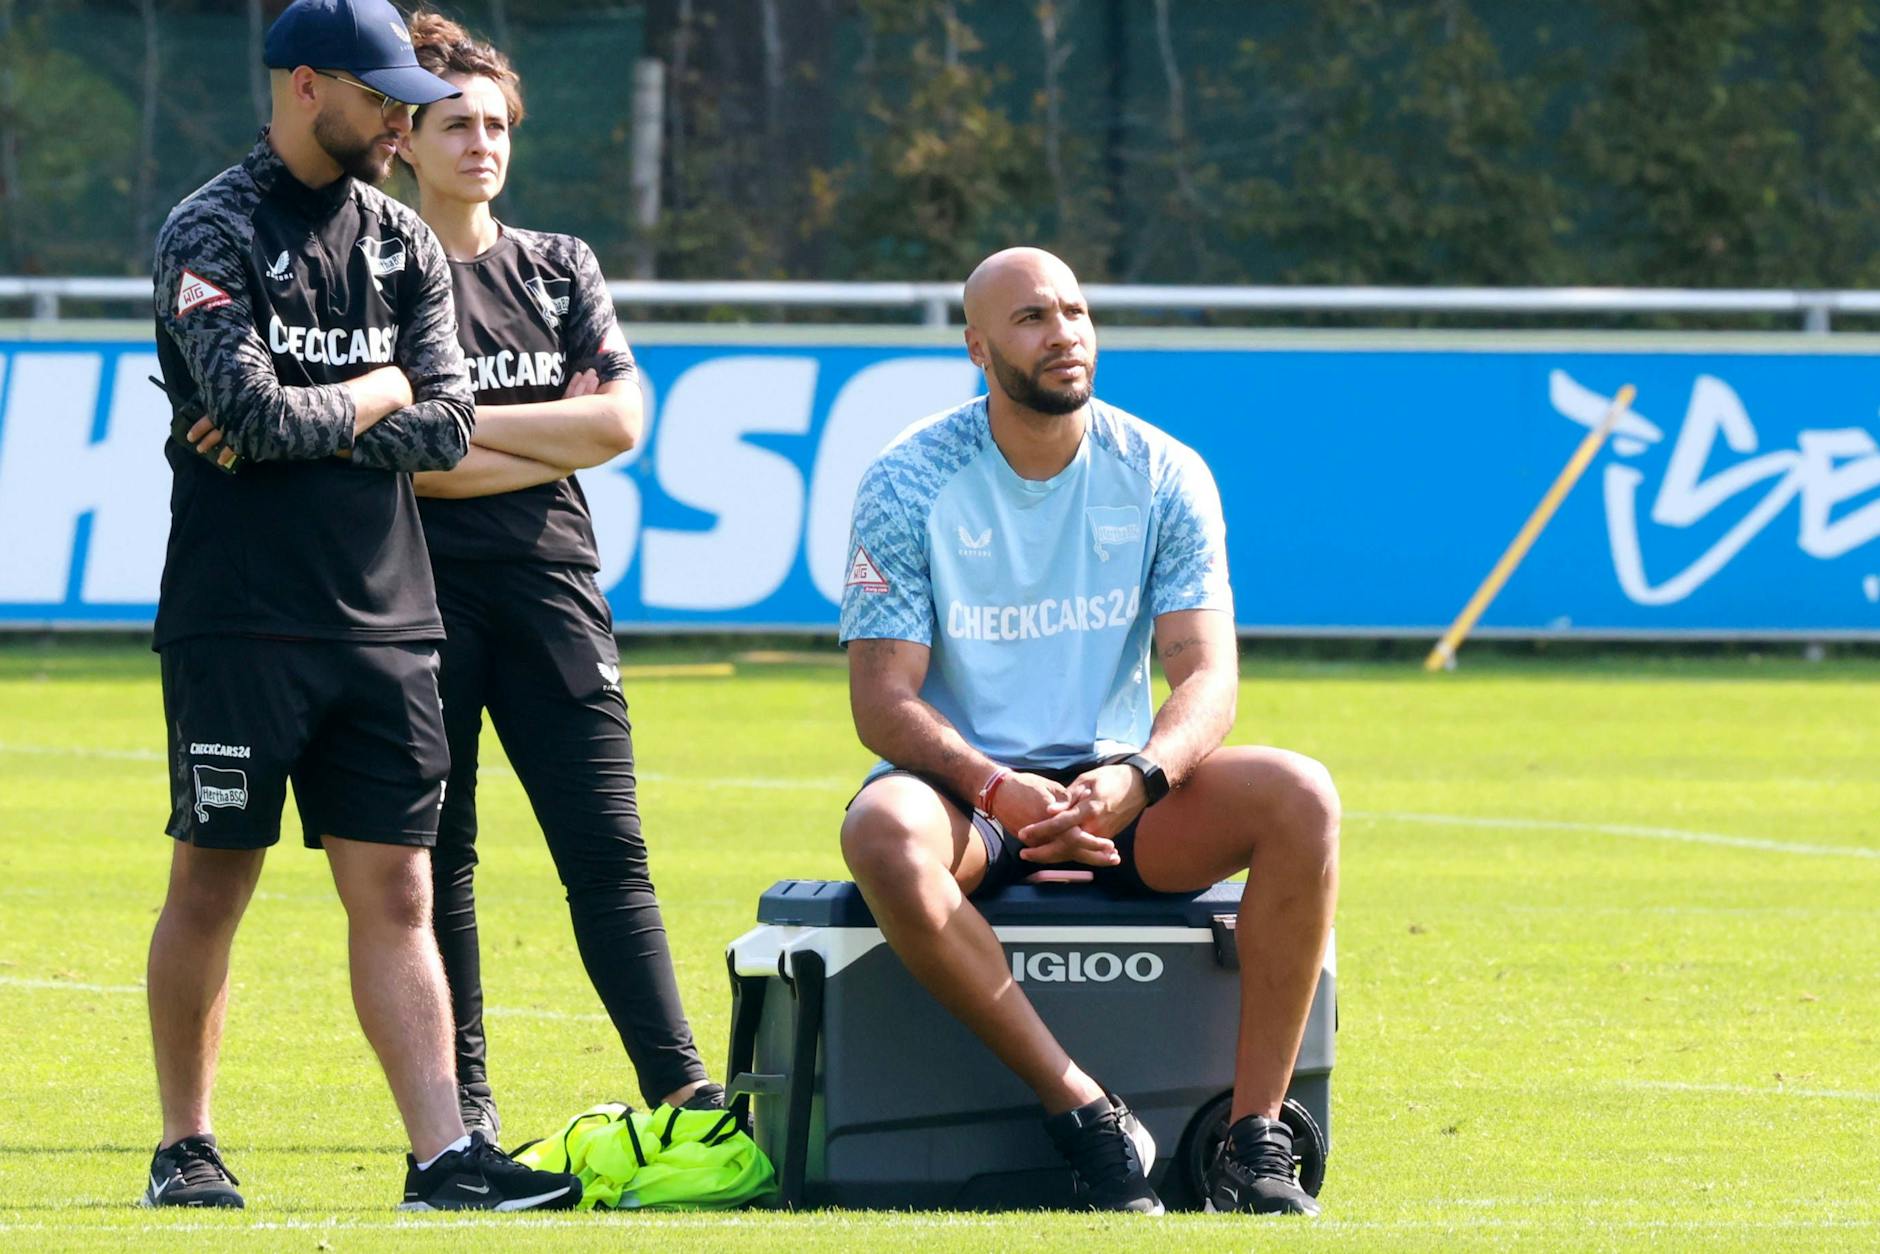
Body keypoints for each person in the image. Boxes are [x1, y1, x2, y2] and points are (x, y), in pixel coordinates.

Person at [143, 0, 580, 1213]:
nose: (403, 118)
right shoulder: (211, 227)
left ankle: (443, 1159)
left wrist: (332, 408)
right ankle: (186, 1145)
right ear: (301, 86)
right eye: (381, 96)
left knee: (396, 890)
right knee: (213, 878)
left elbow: (444, 422)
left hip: (390, 618)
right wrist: (376, 390)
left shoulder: (401, 240)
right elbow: (256, 417)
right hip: (240, 618)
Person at [837, 247, 1340, 1217]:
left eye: (1073, 312)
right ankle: (1084, 1113)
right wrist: (993, 787)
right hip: (970, 794)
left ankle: (1251, 1140)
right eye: (1030, 319)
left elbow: (1206, 672)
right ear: (978, 350)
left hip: (1117, 792)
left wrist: (1140, 778)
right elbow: (882, 702)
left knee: (1300, 795)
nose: (1062, 333)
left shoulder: (1161, 471)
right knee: (880, 835)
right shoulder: (906, 478)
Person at [395, 12, 723, 1140]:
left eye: (494, 123)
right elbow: (394, 472)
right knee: (440, 860)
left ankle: (683, 1086)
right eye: (454, 124)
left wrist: (455, 430)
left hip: (552, 587)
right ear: (403, 141)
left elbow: (622, 422)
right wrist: (543, 435)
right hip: (409, 600)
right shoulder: (377, 272)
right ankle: (466, 1107)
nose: (480, 142)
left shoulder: (558, 265)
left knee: (607, 847)